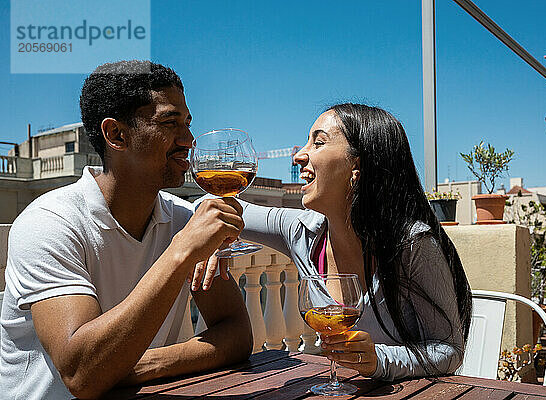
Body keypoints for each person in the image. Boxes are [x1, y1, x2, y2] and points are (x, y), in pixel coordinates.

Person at [0, 60, 252, 400]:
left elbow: (236, 334)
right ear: (117, 135)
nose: (190, 140)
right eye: (170, 122)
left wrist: (134, 366)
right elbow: (82, 375)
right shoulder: (48, 223)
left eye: (188, 123)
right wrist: (181, 252)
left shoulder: (181, 219)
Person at [194, 103, 472, 381]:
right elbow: (206, 204)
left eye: (318, 143)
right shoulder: (299, 231)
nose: (299, 156)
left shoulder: (413, 244)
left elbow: (449, 350)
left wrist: (378, 359)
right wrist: (214, 238)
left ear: (356, 165)